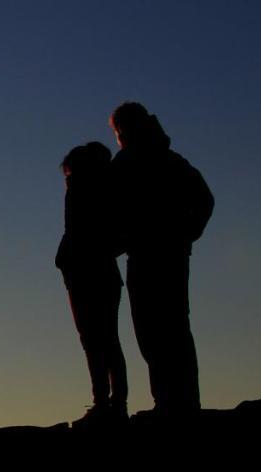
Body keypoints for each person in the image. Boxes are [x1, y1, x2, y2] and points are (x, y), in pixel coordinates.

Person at [109, 102, 213, 414]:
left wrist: (187, 232)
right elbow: (204, 198)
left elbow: (204, 199)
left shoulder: (131, 163)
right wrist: (187, 233)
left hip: (152, 254)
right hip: (166, 252)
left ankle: (175, 403)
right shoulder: (169, 160)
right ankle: (178, 401)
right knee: (170, 326)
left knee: (157, 328)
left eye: (117, 131)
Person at [56, 141, 129, 426]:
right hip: (92, 272)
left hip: (88, 273)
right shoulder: (104, 192)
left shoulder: (85, 192)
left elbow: (80, 234)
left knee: (99, 340)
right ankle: (110, 403)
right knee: (103, 340)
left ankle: (108, 404)